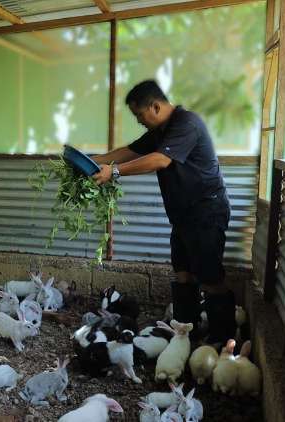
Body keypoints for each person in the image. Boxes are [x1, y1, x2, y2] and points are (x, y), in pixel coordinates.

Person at [90, 80, 235, 345]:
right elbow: (130, 151)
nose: (139, 121)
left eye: (139, 115)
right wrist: (94, 161)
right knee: (182, 272)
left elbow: (160, 160)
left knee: (210, 276)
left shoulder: (186, 123)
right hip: (183, 214)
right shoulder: (160, 130)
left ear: (155, 106)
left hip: (206, 211)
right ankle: (184, 332)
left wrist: (114, 172)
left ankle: (223, 339)